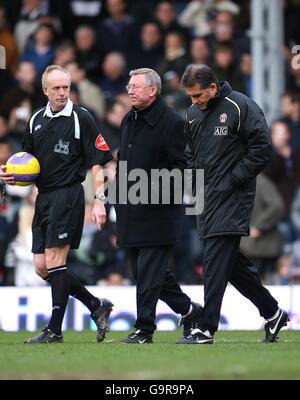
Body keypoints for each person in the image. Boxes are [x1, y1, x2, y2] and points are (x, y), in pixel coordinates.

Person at [0, 65, 114, 344]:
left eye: (67, 87)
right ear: (45, 91)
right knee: (42, 267)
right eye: (58, 88)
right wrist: (9, 175)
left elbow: (99, 163)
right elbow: (27, 163)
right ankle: (96, 305)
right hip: (43, 196)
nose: (63, 93)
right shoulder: (36, 119)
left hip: (68, 195)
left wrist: (99, 200)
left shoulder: (81, 118)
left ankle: (54, 330)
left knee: (55, 261)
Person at [179, 64, 289, 344]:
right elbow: (190, 153)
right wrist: (193, 182)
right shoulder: (193, 114)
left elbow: (262, 148)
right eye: (190, 96)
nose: (193, 102)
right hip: (206, 197)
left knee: (215, 260)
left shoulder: (240, 106)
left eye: (197, 95)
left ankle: (205, 327)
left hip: (233, 196)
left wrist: (233, 179)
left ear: (213, 88)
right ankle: (273, 312)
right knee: (229, 264)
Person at [115, 68, 202, 344]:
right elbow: (123, 165)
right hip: (130, 211)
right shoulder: (128, 119)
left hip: (157, 213)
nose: (130, 91)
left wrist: (152, 193)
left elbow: (183, 169)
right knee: (144, 273)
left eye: (136, 87)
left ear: (153, 90)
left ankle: (144, 329)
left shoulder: (172, 123)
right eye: (129, 86)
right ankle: (189, 311)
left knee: (149, 276)